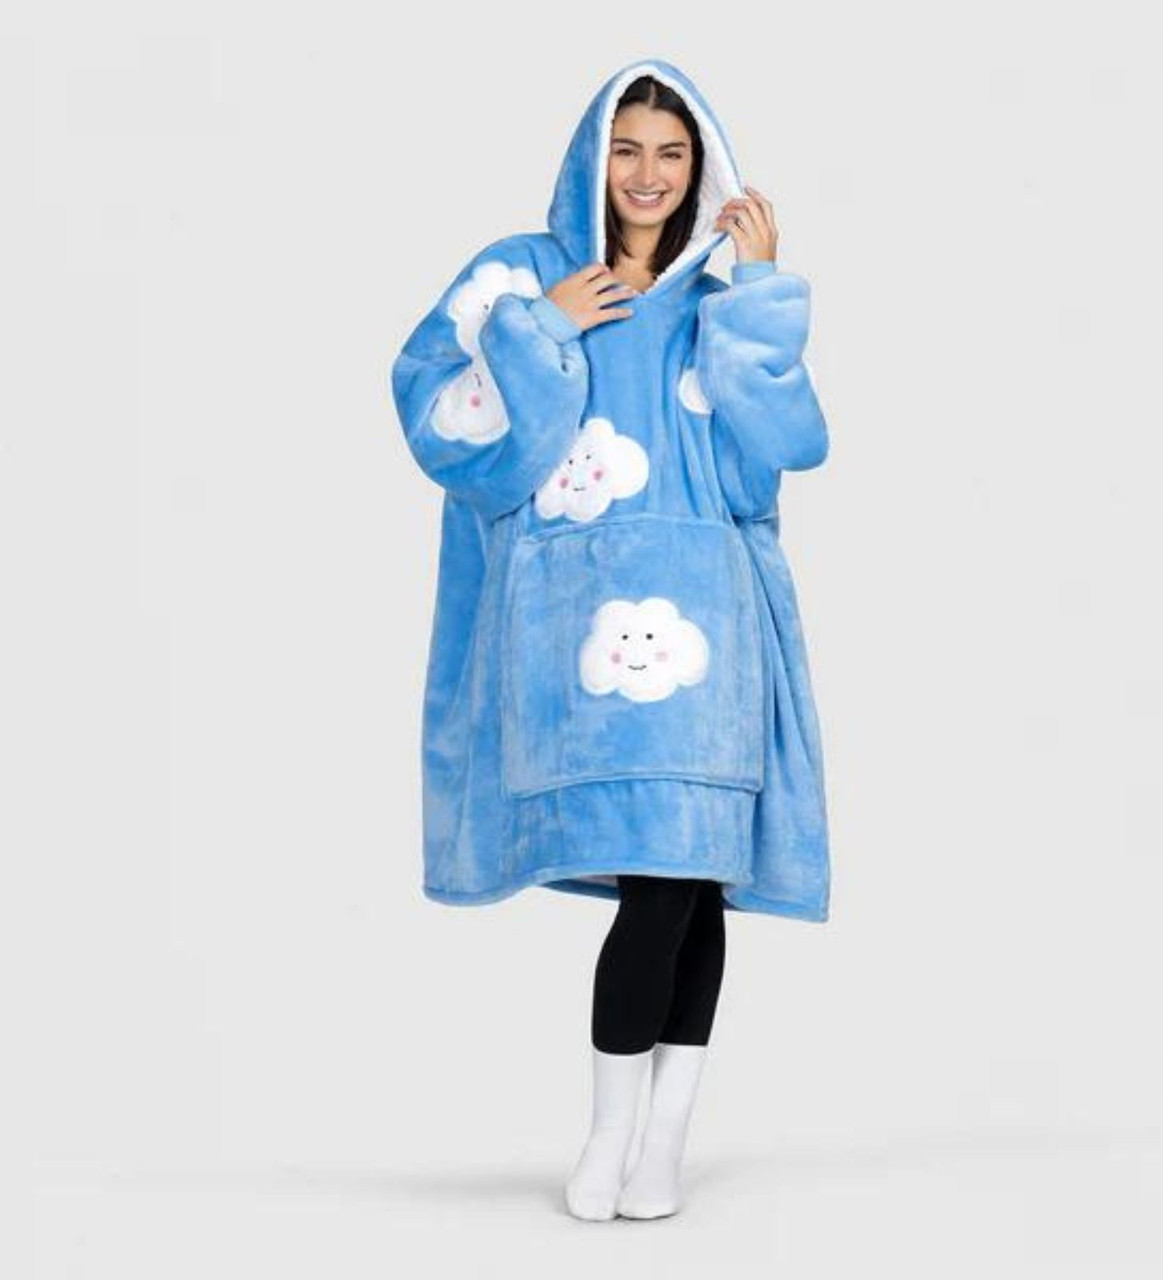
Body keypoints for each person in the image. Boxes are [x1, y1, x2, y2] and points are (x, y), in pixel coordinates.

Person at [389, 58, 831, 1221]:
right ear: (594, 158)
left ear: (700, 170)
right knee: (656, 881)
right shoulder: (524, 273)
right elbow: (442, 423)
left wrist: (760, 295)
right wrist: (545, 327)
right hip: (582, 631)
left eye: (670, 153)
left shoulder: (717, 302)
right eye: (626, 148)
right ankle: (606, 1135)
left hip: (709, 625)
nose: (646, 173)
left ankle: (659, 1142)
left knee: (689, 883)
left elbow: (769, 460)